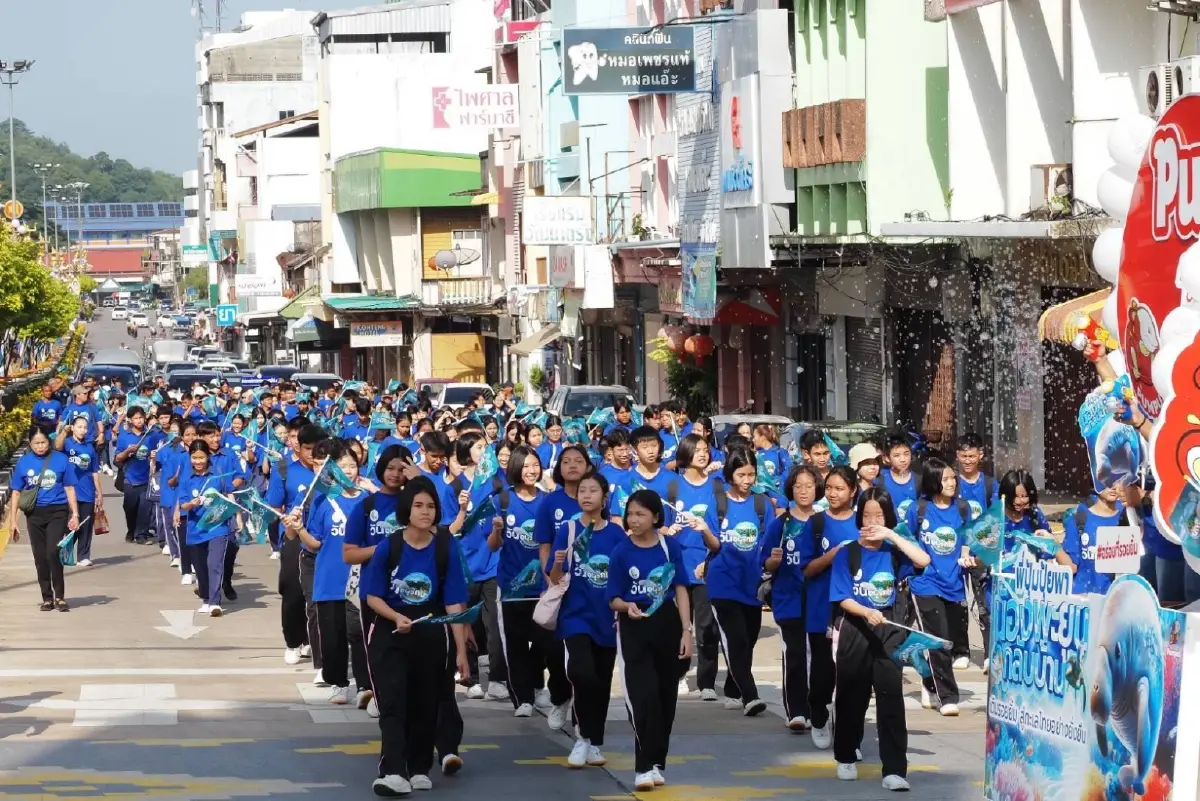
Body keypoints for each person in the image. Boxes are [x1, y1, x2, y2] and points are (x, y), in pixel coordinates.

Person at [362, 477, 472, 797]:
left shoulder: (445, 546)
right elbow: (372, 596)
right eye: (418, 506)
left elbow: (453, 601)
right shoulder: (390, 545)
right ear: (406, 510)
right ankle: (393, 771)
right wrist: (396, 616)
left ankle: (420, 767)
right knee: (394, 703)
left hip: (430, 634)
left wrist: (462, 651)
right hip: (390, 632)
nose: (425, 512)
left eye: (431, 506)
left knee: (426, 702)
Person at [830, 487, 930, 791]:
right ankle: (846, 755)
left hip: (889, 631)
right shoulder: (847, 552)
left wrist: (894, 535)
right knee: (851, 696)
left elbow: (923, 560)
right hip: (855, 630)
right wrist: (864, 611)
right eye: (867, 515)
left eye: (879, 515)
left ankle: (895, 769)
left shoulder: (894, 552)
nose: (872, 520)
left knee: (890, 699)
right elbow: (841, 598)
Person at [606, 489, 693, 792]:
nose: (633, 519)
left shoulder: (670, 547)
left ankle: (657, 761)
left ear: (656, 517)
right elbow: (613, 597)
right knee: (643, 697)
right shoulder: (621, 551)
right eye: (630, 513)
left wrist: (686, 630)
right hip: (635, 626)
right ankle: (642, 766)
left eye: (640, 514)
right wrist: (626, 606)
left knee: (666, 698)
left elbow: (681, 588)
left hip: (667, 625)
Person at [284, 439, 371, 706]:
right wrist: (298, 528)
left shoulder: (368, 500)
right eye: (343, 466)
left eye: (352, 466)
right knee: (332, 637)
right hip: (329, 580)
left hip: (358, 580)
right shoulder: (323, 501)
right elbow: (315, 543)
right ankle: (338, 683)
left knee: (359, 635)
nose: (348, 471)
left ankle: (365, 686)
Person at [547, 472, 622, 769]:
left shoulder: (616, 534)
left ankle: (593, 743)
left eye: (593, 490)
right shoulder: (567, 530)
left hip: (607, 617)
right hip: (575, 616)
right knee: (583, 673)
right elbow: (554, 578)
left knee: (602, 682)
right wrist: (557, 562)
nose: (587, 495)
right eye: (582, 491)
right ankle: (581, 737)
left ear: (605, 498)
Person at [487, 444, 566, 716]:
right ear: (515, 469)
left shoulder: (549, 500)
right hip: (512, 587)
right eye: (526, 465)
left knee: (548, 643)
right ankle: (523, 699)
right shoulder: (502, 500)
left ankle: (537, 684)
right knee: (516, 645)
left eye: (535, 465)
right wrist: (497, 530)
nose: (531, 471)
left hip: (544, 587)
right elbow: (493, 546)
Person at [698, 447, 769, 716]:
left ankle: (733, 686)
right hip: (723, 583)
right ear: (730, 474)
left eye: (751, 474)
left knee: (748, 639)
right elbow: (715, 545)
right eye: (742, 474)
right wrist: (705, 532)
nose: (747, 480)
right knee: (737, 639)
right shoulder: (718, 505)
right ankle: (751, 696)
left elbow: (769, 544)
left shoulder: (762, 505)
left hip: (752, 584)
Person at [797, 464, 860, 749]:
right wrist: (833, 555)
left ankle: (848, 733)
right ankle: (819, 715)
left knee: (851, 674)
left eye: (840, 489)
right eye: (830, 488)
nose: (833, 494)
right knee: (822, 672)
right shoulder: (817, 523)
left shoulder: (862, 522)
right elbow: (807, 569)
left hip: (854, 609)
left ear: (853, 491)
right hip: (822, 608)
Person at [762, 464, 823, 732]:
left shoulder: (823, 521)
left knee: (819, 656)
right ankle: (796, 710)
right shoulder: (781, 524)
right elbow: (764, 562)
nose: (804, 491)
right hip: (788, 597)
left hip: (818, 599)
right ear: (790, 489)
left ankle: (817, 707)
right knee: (795, 653)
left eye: (809, 485)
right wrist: (773, 562)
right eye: (798, 486)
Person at [905, 458, 969, 716]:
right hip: (925, 583)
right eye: (945, 479)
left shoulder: (962, 509)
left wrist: (969, 557)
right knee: (939, 639)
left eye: (953, 478)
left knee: (951, 640)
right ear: (933, 481)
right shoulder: (918, 510)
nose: (951, 483)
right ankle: (948, 696)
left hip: (954, 583)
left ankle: (928, 677)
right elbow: (906, 540)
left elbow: (969, 541)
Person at [664, 434, 721, 700]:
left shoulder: (717, 487)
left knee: (707, 627)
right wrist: (668, 529)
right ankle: (677, 674)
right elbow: (657, 526)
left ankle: (707, 682)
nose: (702, 454)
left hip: (705, 565)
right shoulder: (672, 487)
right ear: (685, 454)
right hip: (677, 567)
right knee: (677, 626)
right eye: (697, 450)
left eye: (705, 449)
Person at [6, 427, 80, 610]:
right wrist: (13, 521)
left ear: (50, 442)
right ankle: (47, 597)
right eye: (36, 443)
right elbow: (16, 492)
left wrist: (75, 514)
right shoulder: (24, 462)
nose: (40, 446)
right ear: (30, 444)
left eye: (43, 442)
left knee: (53, 552)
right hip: (34, 514)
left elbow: (70, 488)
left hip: (57, 511)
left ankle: (60, 596)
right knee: (40, 557)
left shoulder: (61, 460)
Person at [175, 441, 234, 617]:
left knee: (214, 563)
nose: (198, 461)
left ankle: (215, 602)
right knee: (200, 567)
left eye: (201, 457)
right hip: (195, 527)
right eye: (194, 458)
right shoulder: (186, 477)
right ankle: (206, 599)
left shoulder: (218, 474)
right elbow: (183, 504)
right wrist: (190, 504)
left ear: (208, 456)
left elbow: (229, 493)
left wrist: (235, 514)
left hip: (217, 526)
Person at [1061, 482, 1124, 595]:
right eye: (1108, 480)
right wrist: (1053, 546)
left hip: (1117, 602)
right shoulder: (1078, 519)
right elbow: (1071, 566)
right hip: (1084, 597)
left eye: (1118, 480)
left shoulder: (1128, 517)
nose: (1113, 486)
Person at [60, 415, 102, 567]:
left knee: (86, 524)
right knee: (69, 524)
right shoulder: (66, 444)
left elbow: (94, 471)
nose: (83, 430)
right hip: (68, 492)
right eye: (79, 427)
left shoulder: (90, 448)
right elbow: (56, 446)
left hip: (87, 492)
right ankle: (64, 551)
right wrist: (63, 433)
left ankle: (83, 555)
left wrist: (99, 492)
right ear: (73, 428)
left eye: (85, 427)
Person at [115, 406, 156, 545]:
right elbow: (117, 458)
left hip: (147, 478)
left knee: (145, 508)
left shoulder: (150, 435)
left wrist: (154, 457)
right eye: (136, 418)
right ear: (130, 420)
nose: (139, 421)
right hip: (130, 478)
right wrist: (127, 452)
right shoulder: (124, 436)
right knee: (130, 508)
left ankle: (141, 535)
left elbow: (156, 453)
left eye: (141, 418)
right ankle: (131, 530)